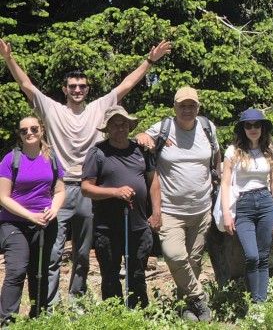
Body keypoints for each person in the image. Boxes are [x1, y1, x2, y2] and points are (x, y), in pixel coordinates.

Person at [0, 36, 170, 304]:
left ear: (87, 90)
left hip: (90, 191)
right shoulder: (52, 109)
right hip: (59, 190)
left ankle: (77, 301)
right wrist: (8, 59)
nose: (77, 90)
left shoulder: (99, 108)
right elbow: (26, 85)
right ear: (64, 89)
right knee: (54, 252)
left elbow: (127, 84)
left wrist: (149, 60)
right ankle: (49, 306)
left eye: (81, 86)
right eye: (72, 86)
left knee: (82, 254)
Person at [136, 86, 219, 322]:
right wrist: (142, 135)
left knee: (193, 261)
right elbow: (141, 138)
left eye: (191, 105)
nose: (187, 109)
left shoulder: (207, 127)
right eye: (182, 105)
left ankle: (186, 307)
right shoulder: (164, 128)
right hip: (170, 210)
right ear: (174, 107)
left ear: (198, 108)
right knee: (174, 256)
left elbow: (216, 156)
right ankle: (199, 297)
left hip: (202, 209)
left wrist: (218, 180)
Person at [81, 106, 154, 308]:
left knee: (137, 275)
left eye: (123, 124)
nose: (120, 128)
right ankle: (113, 315)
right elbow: (86, 188)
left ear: (130, 126)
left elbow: (153, 181)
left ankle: (138, 314)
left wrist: (156, 212)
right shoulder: (98, 153)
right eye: (114, 124)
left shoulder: (141, 150)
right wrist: (115, 192)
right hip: (108, 226)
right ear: (107, 129)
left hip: (138, 225)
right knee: (110, 276)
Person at [0, 117, 65, 323]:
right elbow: (3, 197)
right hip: (14, 222)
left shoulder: (52, 158)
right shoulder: (10, 159)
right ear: (19, 135)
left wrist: (54, 209)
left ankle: (39, 318)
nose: (29, 132)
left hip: (45, 222)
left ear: (42, 131)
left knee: (40, 271)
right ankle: (7, 321)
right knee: (17, 270)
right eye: (24, 130)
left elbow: (60, 190)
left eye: (34, 128)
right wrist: (30, 215)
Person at [218, 109, 273, 304]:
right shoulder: (233, 152)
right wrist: (226, 215)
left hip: (266, 203)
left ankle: (259, 304)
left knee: (263, 257)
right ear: (243, 128)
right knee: (252, 256)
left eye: (257, 125)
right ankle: (254, 299)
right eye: (249, 125)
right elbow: (225, 183)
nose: (253, 129)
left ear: (263, 128)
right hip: (243, 205)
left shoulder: (271, 151)